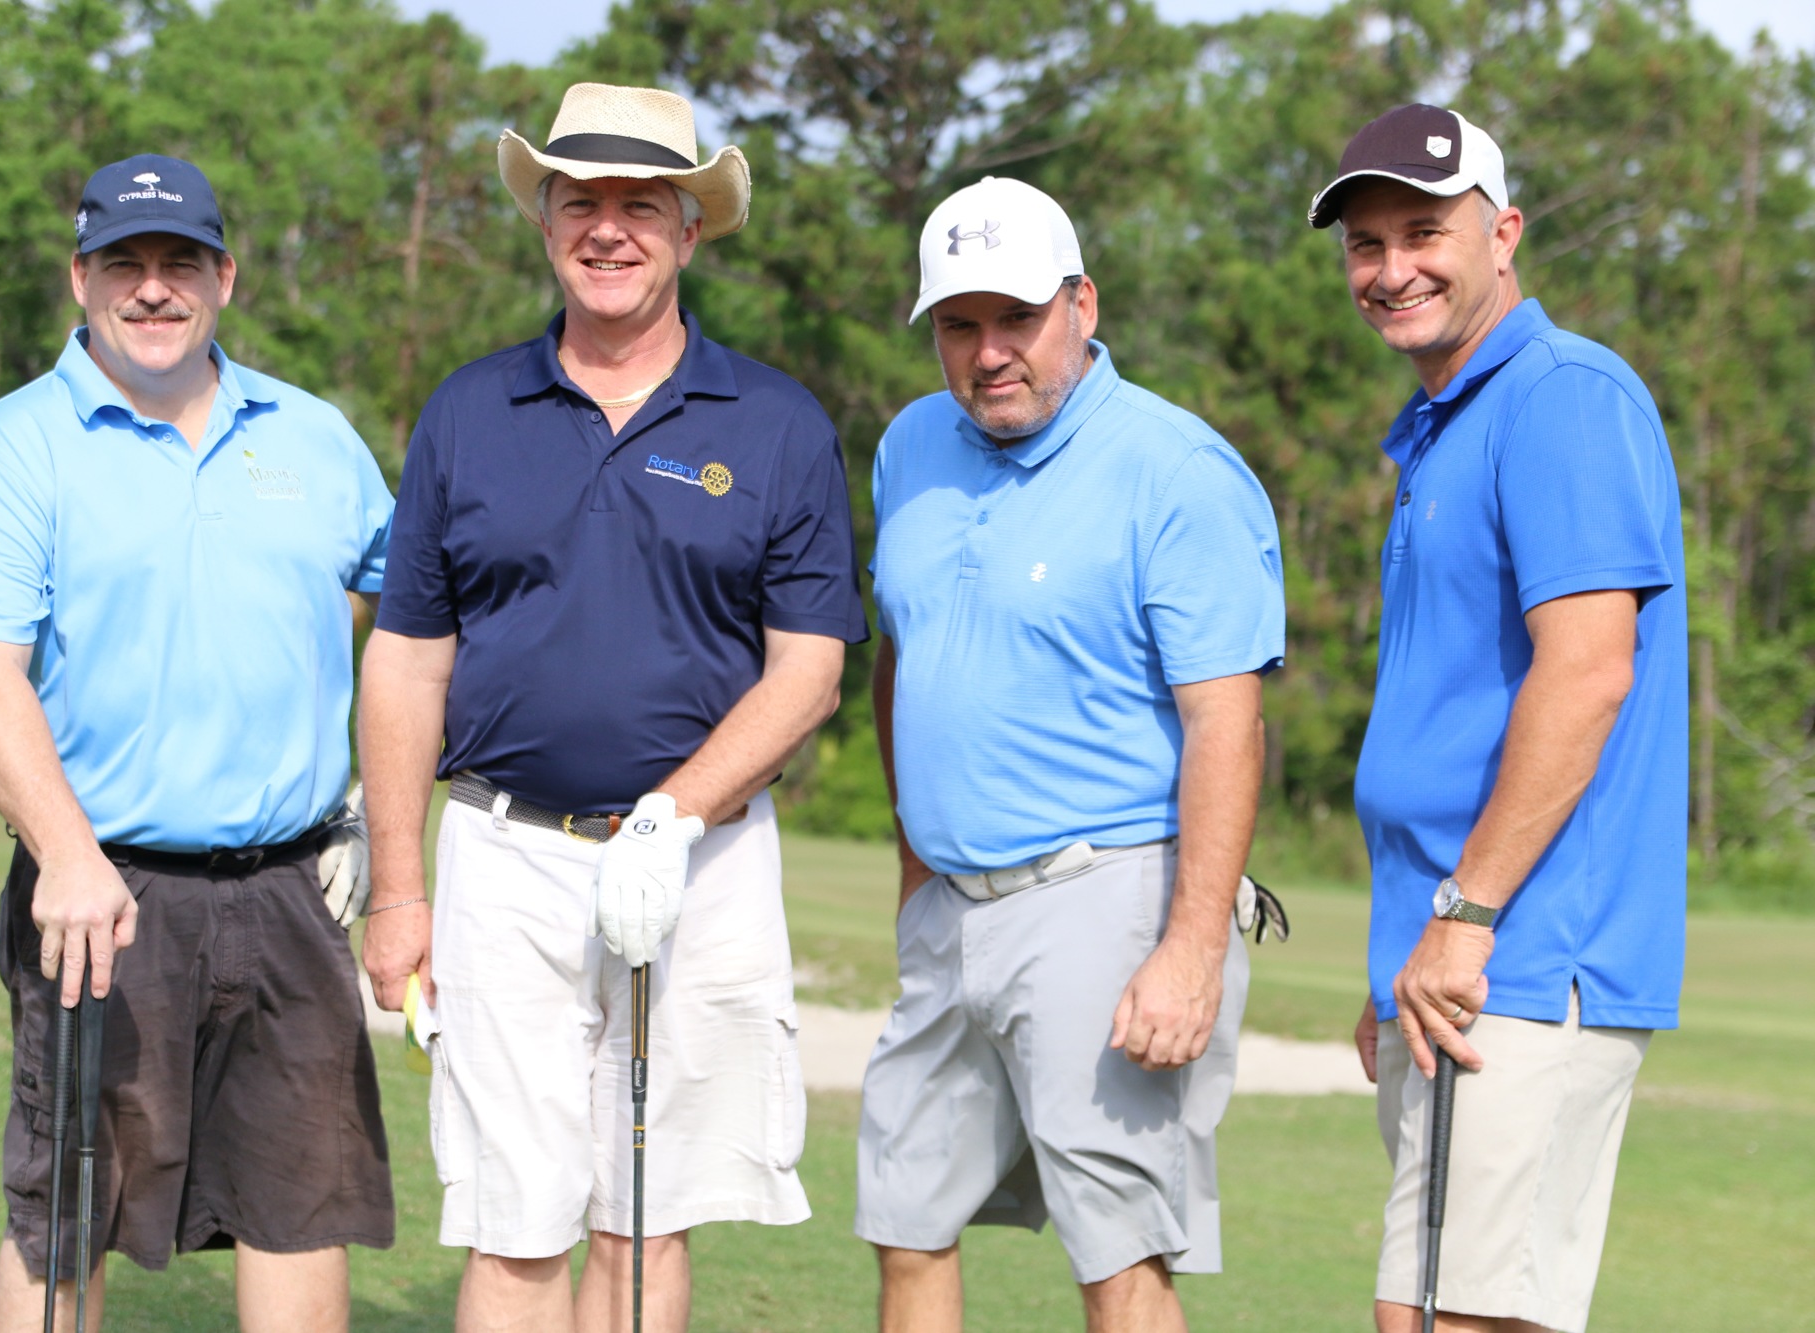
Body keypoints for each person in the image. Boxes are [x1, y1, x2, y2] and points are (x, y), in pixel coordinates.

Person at [356, 82, 867, 1333]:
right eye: (579, 200)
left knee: (645, 1214)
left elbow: (808, 667)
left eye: (643, 204)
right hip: (502, 855)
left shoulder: (776, 423)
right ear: (543, 221)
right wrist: (399, 889)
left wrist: (672, 817)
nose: (608, 228)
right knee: (510, 1212)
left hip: (701, 863)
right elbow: (407, 661)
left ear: (691, 231)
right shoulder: (470, 413)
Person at [0, 155, 397, 1333]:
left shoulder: (313, 435)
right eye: (125, 264)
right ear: (79, 276)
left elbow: (420, 618)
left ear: (224, 278)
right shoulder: (17, 442)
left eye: (179, 263)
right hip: (104, 892)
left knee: (303, 1207)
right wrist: (65, 852)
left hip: (293, 889)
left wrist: (368, 799)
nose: (153, 289)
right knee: (68, 1211)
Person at [858, 175, 1286, 1332]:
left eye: (1015, 318)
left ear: (1081, 305)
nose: (987, 352)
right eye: (958, 324)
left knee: (1118, 1254)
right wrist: (912, 860)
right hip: (949, 903)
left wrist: (1190, 948)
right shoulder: (909, 446)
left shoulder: (1174, 469)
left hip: (1108, 892)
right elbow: (902, 651)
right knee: (904, 1217)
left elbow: (1225, 722)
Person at [1307, 104, 1689, 1333]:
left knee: (1442, 1319)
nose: (1389, 268)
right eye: (1363, 245)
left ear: (1502, 232)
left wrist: (1463, 920)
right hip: (1457, 956)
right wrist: (1400, 953)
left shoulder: (1560, 397)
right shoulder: (1445, 424)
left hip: (1520, 954)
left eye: (1424, 231)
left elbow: (1585, 673)